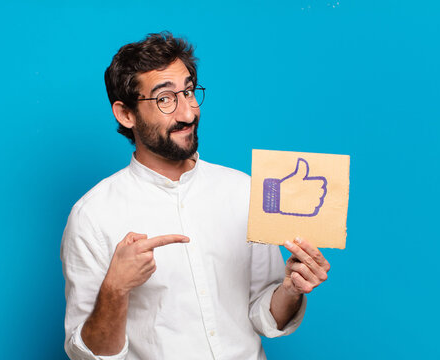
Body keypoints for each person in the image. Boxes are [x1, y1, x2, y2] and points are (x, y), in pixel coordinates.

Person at [61, 32, 331, 360]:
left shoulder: (244, 191)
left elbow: (263, 315)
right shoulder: (93, 215)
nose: (188, 113)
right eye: (165, 99)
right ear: (126, 114)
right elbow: (87, 354)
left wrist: (290, 289)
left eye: (188, 92)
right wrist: (115, 289)